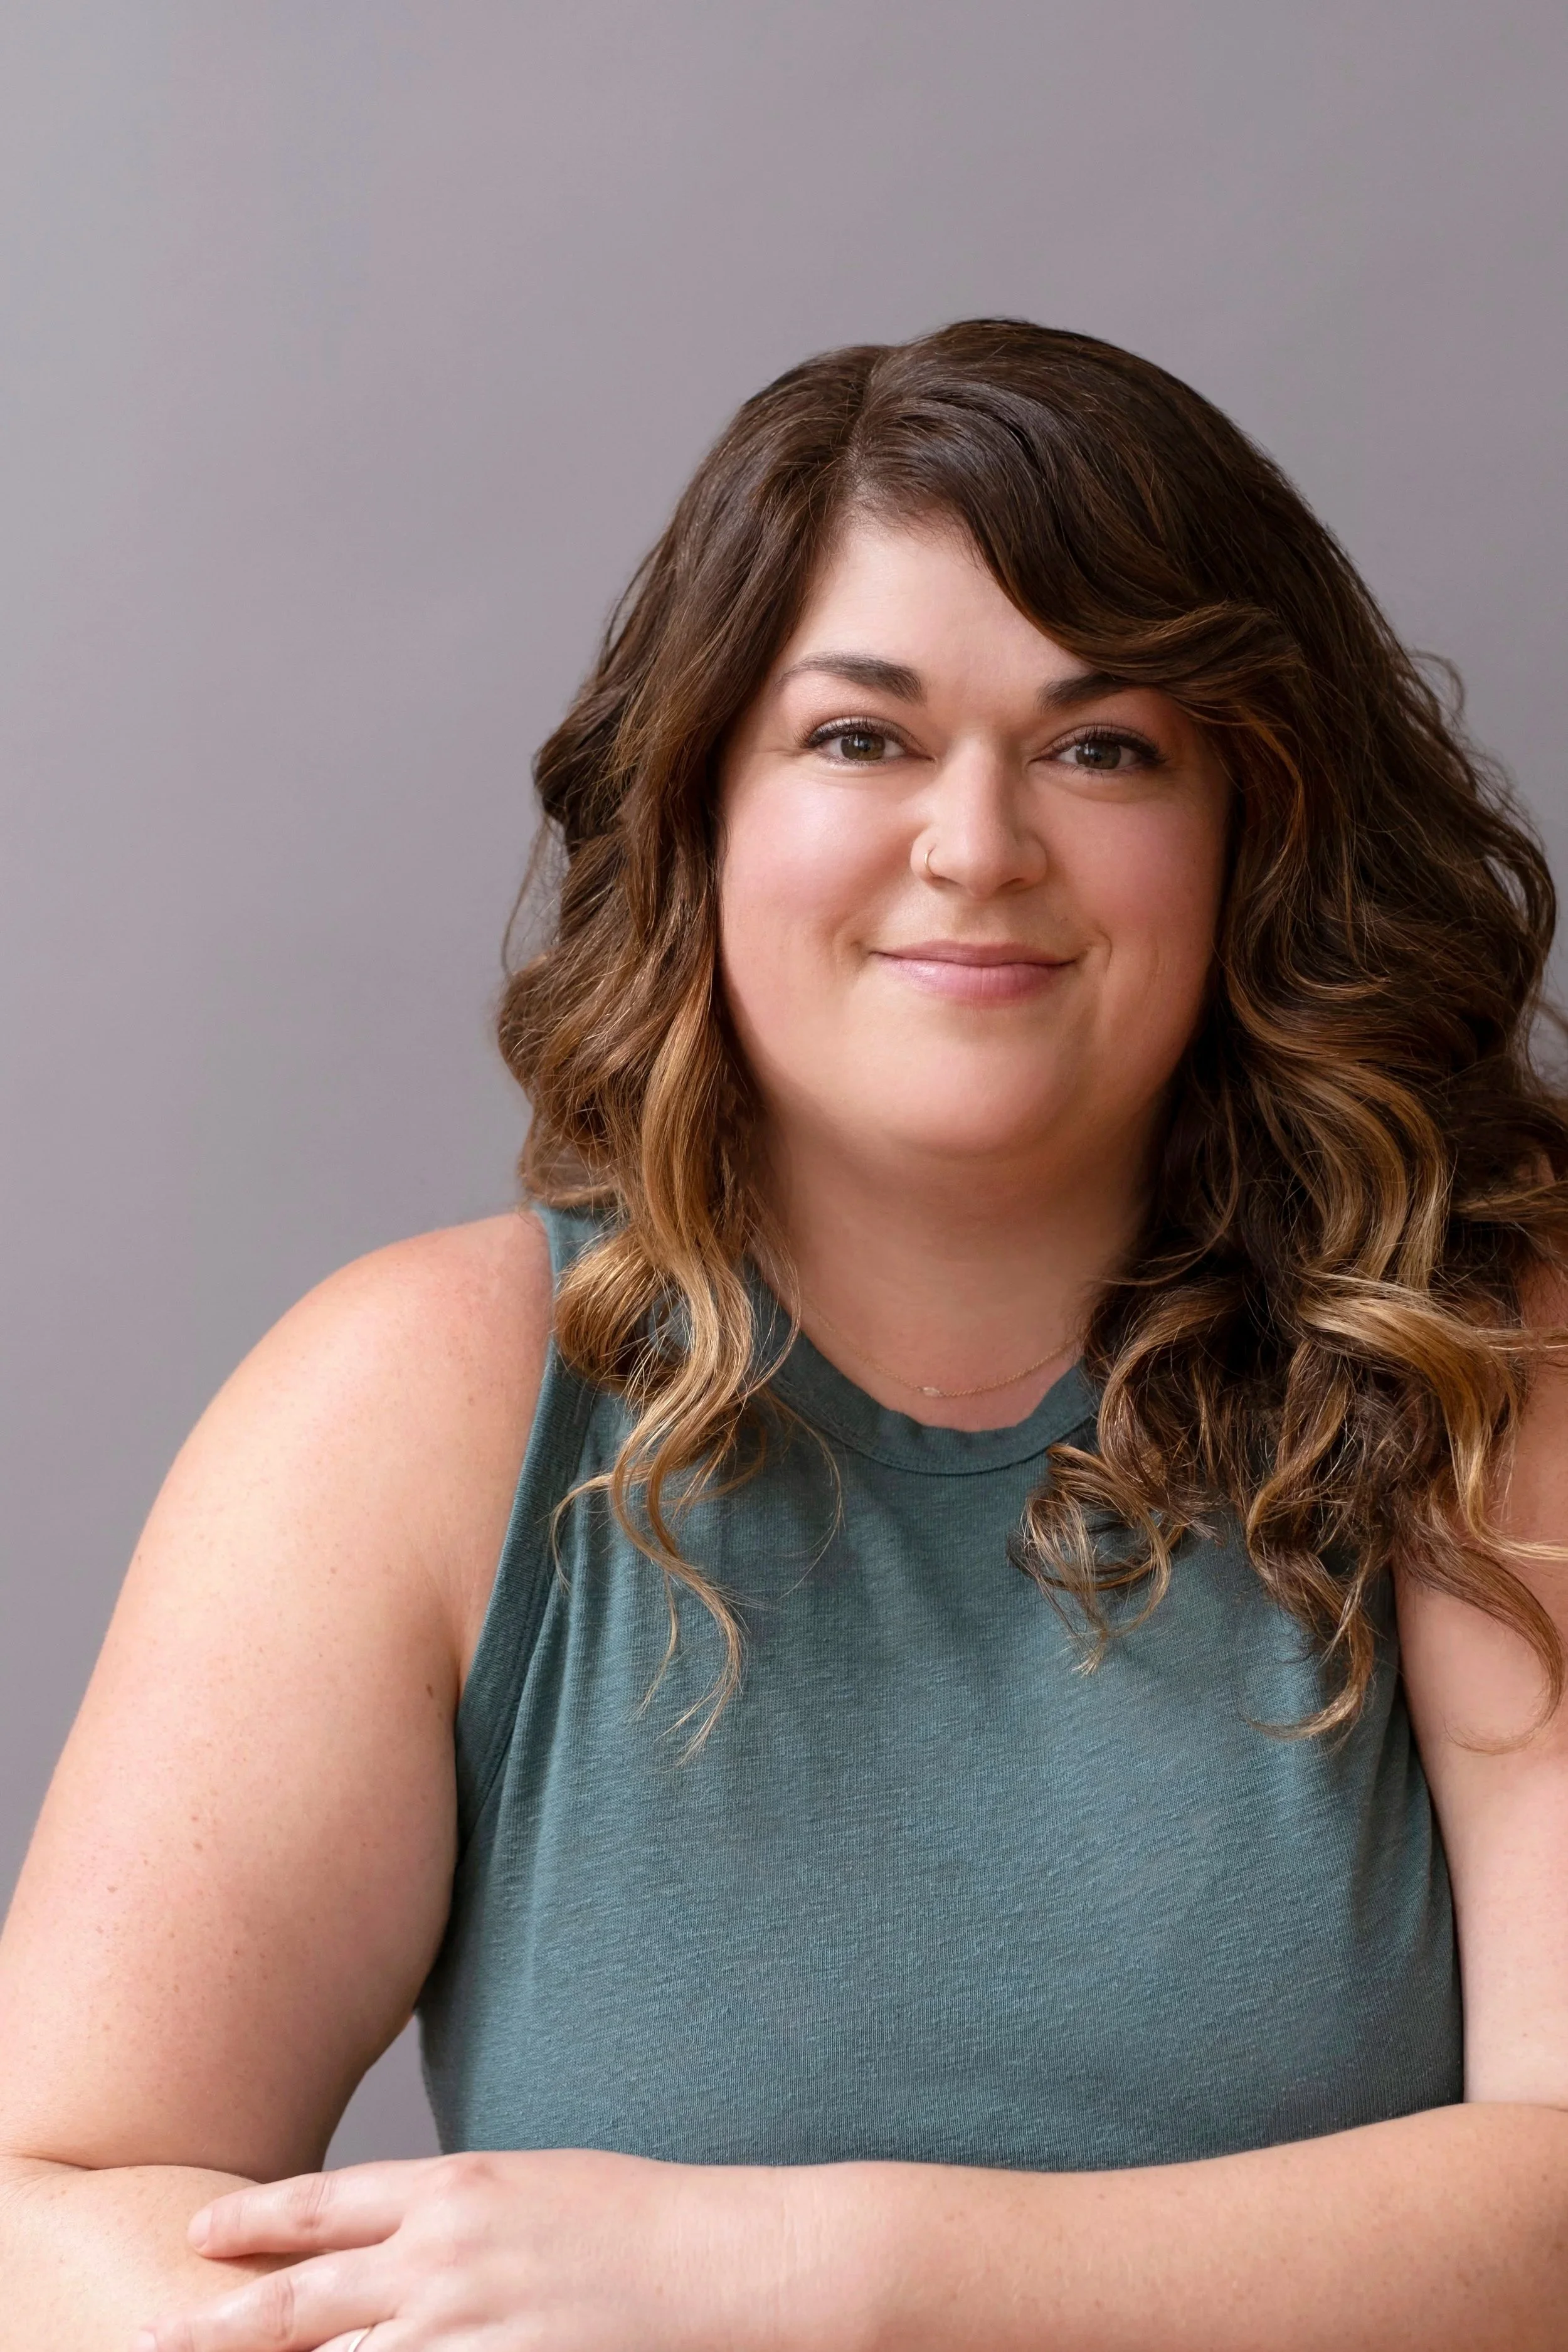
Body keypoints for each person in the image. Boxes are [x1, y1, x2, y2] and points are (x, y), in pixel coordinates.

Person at [2, 318, 1566, 2351]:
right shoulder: (414, 1407)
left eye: (1104, 746)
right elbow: (47, 2207)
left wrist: (782, 2275)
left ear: (1248, 831)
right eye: (859, 736)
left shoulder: (1482, 1370)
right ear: (701, 811)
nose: (978, 844)